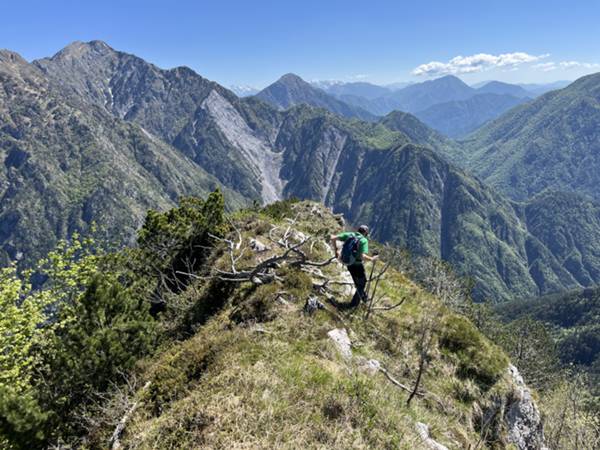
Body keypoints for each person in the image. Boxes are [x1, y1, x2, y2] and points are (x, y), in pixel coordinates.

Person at [330, 225, 378, 308]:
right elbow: (362, 256)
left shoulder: (350, 235)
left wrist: (336, 250)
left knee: (357, 281)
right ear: (365, 233)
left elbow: (333, 237)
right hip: (357, 265)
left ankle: (363, 297)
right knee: (362, 284)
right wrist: (372, 259)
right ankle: (353, 305)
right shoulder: (363, 240)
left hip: (348, 263)